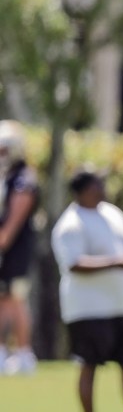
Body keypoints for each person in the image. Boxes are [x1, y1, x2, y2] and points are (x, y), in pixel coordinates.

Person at [50, 169, 123, 412]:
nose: (101, 188)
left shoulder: (112, 213)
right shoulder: (70, 224)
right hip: (89, 308)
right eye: (97, 184)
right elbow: (73, 264)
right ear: (83, 190)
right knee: (89, 364)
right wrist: (117, 262)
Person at [0, 120, 39, 375]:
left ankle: (24, 353)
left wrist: (3, 242)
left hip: (15, 251)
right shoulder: (9, 178)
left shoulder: (23, 180)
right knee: (4, 300)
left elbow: (13, 223)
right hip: (6, 251)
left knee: (16, 299)